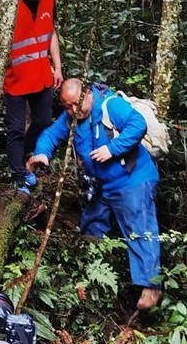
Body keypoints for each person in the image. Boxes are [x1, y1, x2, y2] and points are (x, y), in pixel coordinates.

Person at [28, 78, 162, 311]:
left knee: (139, 229)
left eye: (76, 103)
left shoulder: (111, 106)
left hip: (133, 180)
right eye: (67, 106)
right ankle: (94, 279)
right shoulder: (71, 117)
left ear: (88, 93)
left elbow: (137, 124)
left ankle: (151, 286)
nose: (73, 110)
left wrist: (112, 149)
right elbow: (51, 134)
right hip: (102, 186)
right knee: (91, 225)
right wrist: (42, 152)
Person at [4, 0, 63, 195]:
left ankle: (20, 157)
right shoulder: (9, 0)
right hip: (16, 78)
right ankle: (17, 175)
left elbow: (50, 32)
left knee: (43, 121)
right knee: (16, 129)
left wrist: (57, 66)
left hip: (42, 75)